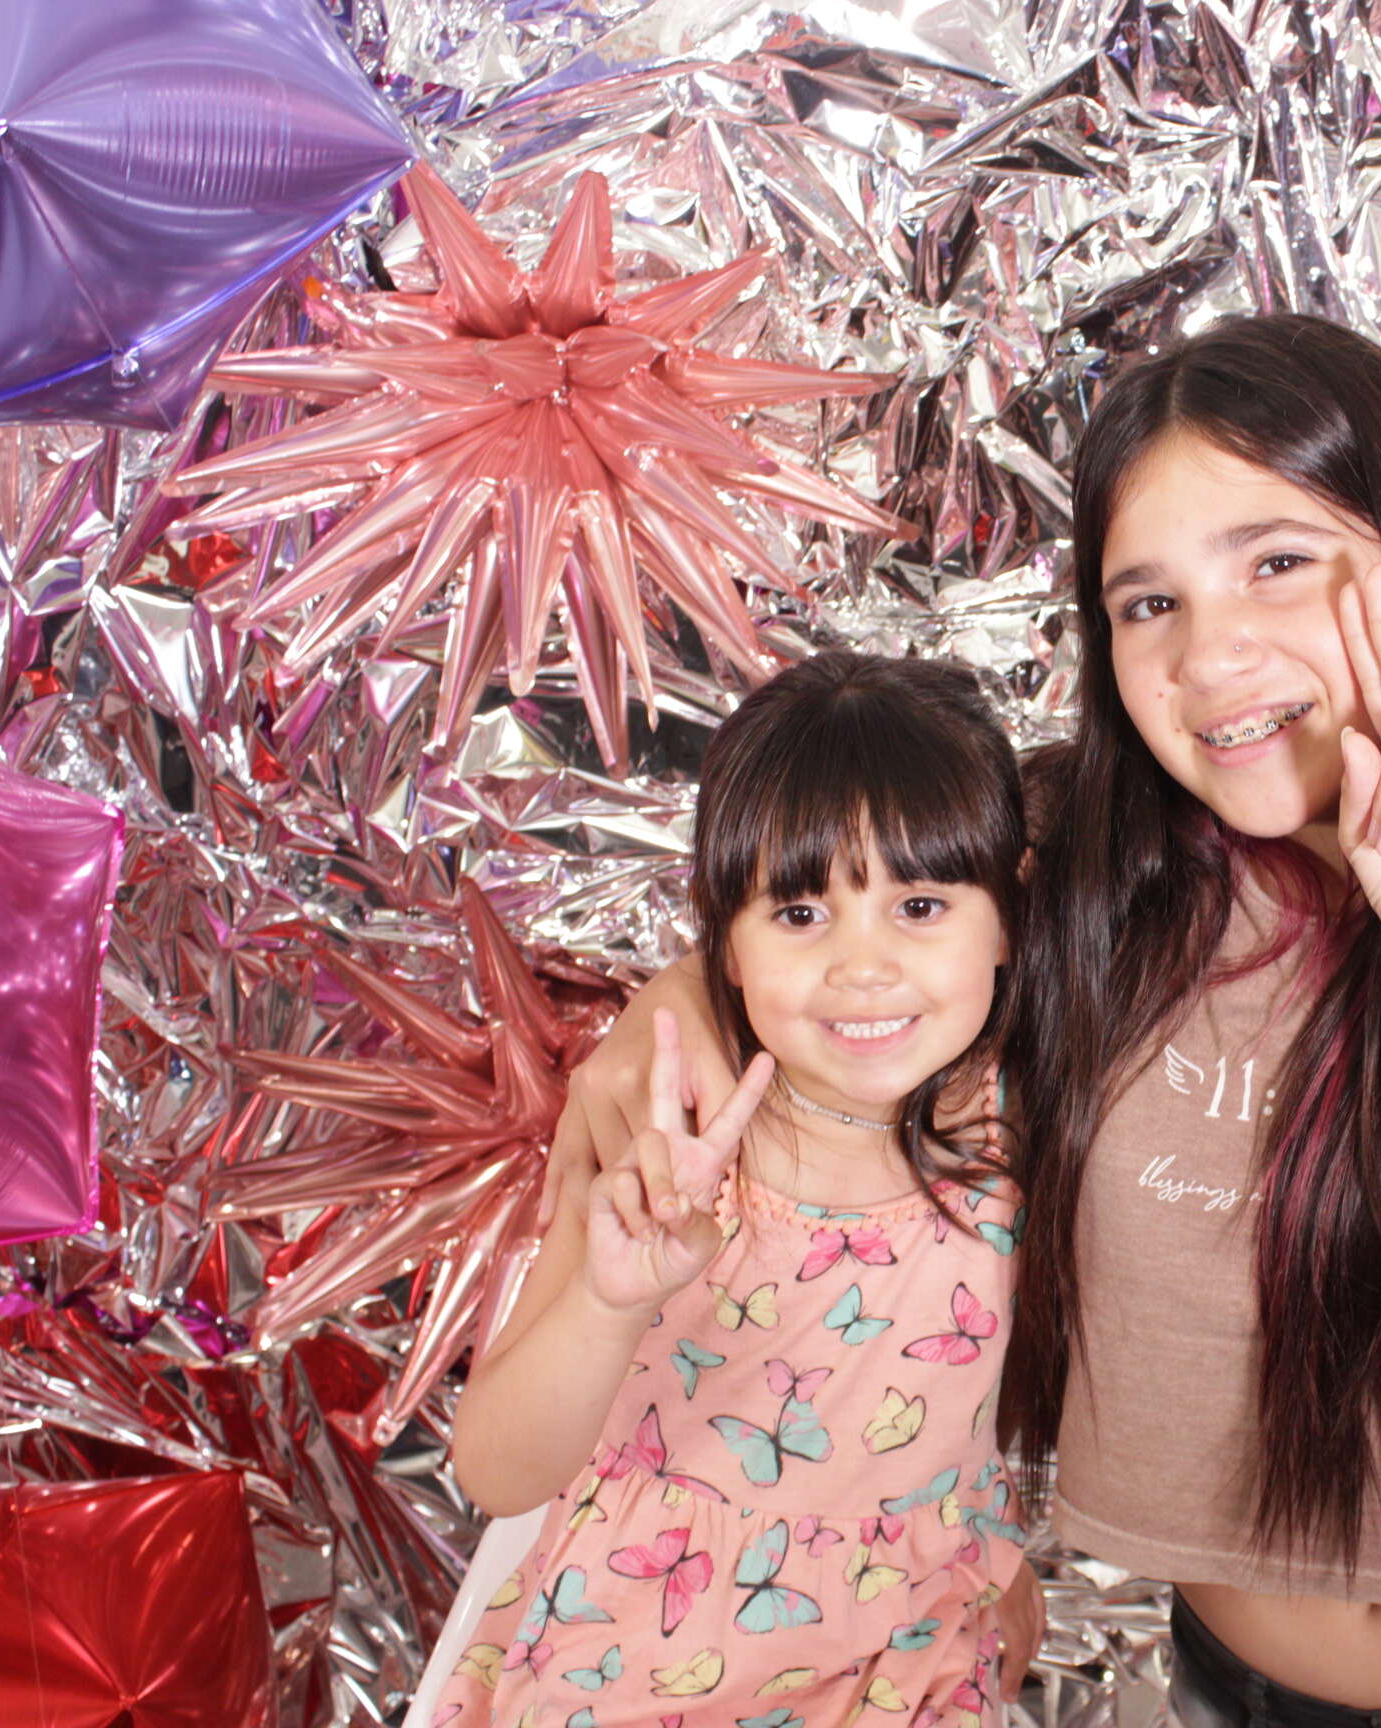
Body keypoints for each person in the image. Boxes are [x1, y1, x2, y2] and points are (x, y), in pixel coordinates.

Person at [557, 315, 1381, 1726]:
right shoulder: (1069, 864)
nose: (1211, 655)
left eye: (1276, 563)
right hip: (1235, 1688)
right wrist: (676, 1007)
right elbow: (826, 932)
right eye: (1148, 604)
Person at [433, 652, 1044, 1728]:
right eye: (801, 916)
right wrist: (608, 1301)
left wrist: (994, 1563)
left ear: (1008, 916)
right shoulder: (672, 1143)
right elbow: (493, 1469)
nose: (863, 967)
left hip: (905, 1652)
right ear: (724, 944)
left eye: (919, 905)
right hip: (643, 1651)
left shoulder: (1022, 1118)